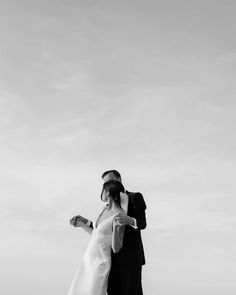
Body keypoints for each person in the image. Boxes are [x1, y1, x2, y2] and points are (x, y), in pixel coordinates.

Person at [71, 170, 147, 295]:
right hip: (110, 258)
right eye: (105, 183)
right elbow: (102, 230)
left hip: (130, 258)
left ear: (119, 179)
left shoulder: (134, 197)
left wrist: (129, 220)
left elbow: (142, 223)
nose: (107, 185)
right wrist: (85, 222)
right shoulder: (107, 207)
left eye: (110, 181)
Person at [67, 180, 126, 295]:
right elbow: (97, 235)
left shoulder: (119, 215)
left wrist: (118, 229)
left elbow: (117, 247)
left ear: (108, 192)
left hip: (101, 262)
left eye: (103, 190)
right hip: (88, 259)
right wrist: (81, 225)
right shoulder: (104, 209)